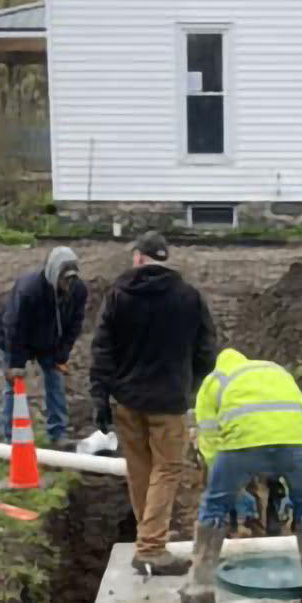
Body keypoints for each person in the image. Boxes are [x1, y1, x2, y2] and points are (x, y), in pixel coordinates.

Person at [90, 231, 218, 576]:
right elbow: (207, 352)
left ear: (137, 258)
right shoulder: (188, 297)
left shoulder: (118, 296)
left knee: (140, 470)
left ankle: (146, 539)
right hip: (168, 401)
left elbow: (102, 349)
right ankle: (150, 547)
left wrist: (101, 394)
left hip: (127, 400)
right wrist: (189, 385)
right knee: (168, 469)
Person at [182, 348, 302, 603]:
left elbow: (210, 441)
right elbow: (295, 415)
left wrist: (228, 488)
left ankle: (200, 588)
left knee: (213, 507)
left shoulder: (214, 381)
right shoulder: (273, 369)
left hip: (243, 445)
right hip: (298, 442)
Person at [0, 247, 87, 449]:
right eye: (65, 279)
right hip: (18, 339)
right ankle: (9, 437)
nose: (68, 284)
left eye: (72, 279)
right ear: (54, 273)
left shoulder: (78, 291)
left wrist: (61, 355)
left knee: (54, 381)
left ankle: (58, 433)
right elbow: (13, 325)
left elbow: (75, 325)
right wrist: (15, 363)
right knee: (14, 386)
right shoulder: (29, 289)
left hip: (49, 341)